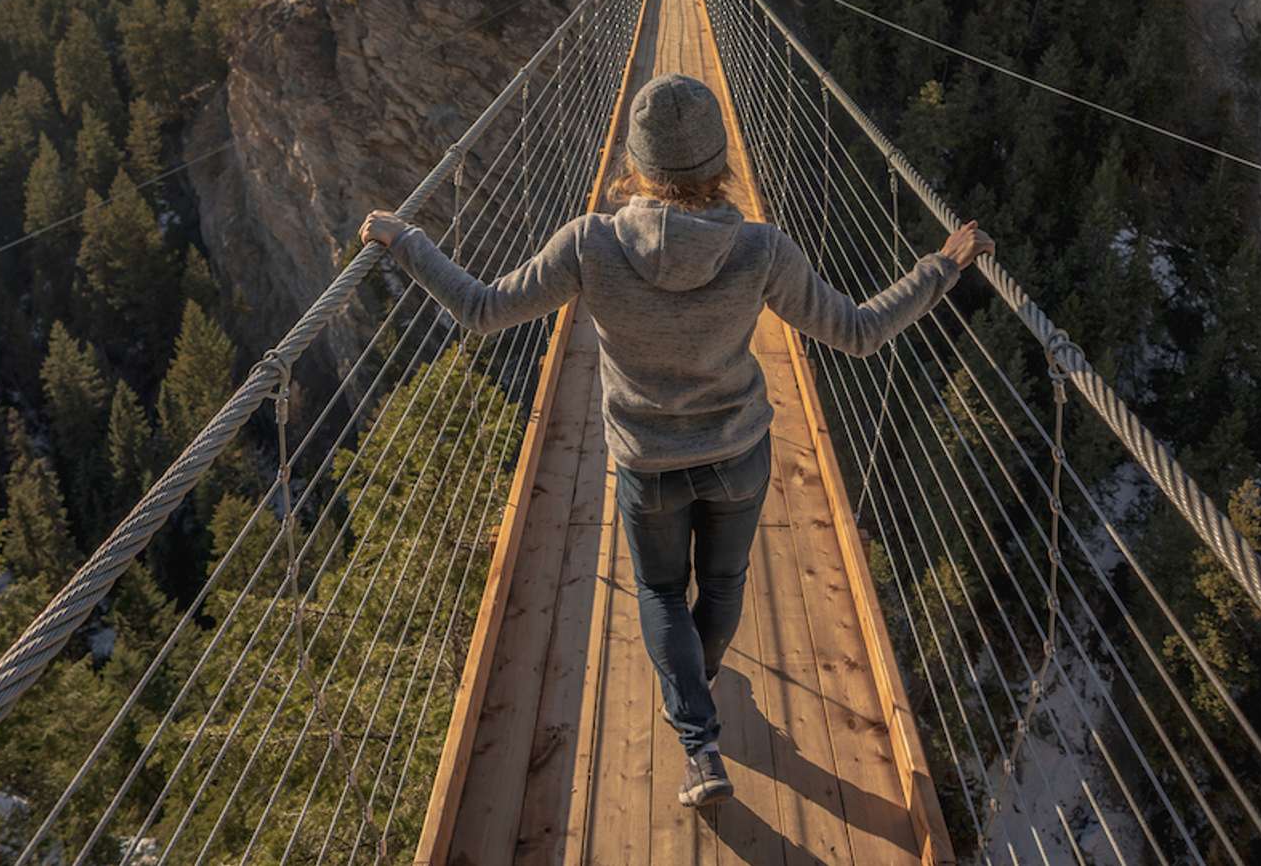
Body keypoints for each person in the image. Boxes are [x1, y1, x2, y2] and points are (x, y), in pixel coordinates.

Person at [360, 73, 991, 809]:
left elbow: (480, 309)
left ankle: (700, 746)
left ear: (635, 162)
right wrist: (941, 267)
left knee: (660, 591)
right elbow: (858, 332)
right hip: (737, 457)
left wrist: (406, 241)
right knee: (722, 583)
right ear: (720, 160)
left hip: (648, 464)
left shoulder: (590, 243)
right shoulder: (760, 249)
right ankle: (701, 674)